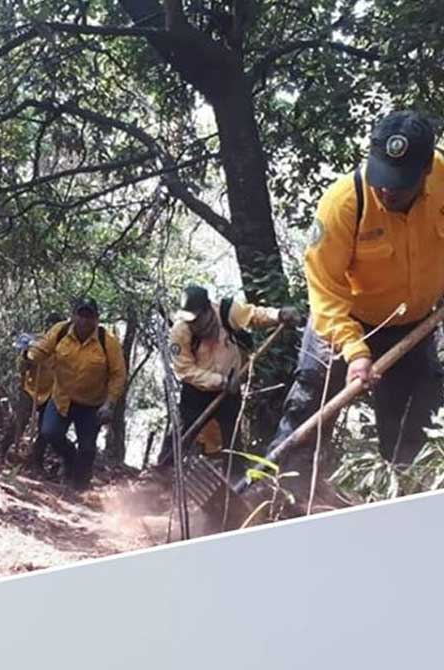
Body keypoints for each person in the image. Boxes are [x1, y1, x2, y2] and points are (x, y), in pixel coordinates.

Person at [265, 110, 444, 467]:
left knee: (414, 428)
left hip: (412, 325)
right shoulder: (343, 204)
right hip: (342, 323)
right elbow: (324, 289)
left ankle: (405, 502)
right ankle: (277, 495)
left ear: (425, 169)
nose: (387, 189)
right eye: (382, 177)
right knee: (307, 412)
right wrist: (355, 350)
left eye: (400, 181)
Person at [157, 285, 299, 465]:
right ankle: (161, 474)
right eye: (190, 321)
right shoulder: (180, 331)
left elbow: (253, 315)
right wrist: (220, 381)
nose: (194, 325)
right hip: (197, 391)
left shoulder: (226, 311)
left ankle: (233, 481)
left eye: (197, 319)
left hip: (230, 392)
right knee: (182, 433)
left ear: (208, 309)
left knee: (232, 441)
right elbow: (184, 370)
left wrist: (278, 315)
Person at [24, 297, 126, 489]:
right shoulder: (60, 331)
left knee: (87, 449)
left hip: (91, 404)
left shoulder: (108, 342)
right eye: (81, 315)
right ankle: (69, 457)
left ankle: (79, 488)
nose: (84, 321)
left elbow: (118, 374)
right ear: (73, 315)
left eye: (89, 316)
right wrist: (29, 355)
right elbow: (42, 350)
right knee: (50, 432)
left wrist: (109, 403)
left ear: (97, 319)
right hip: (62, 397)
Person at [0, 311, 65, 461]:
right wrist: (25, 357)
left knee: (45, 430)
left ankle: (36, 460)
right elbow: (22, 366)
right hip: (31, 389)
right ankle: (3, 452)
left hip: (51, 393)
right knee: (19, 421)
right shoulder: (36, 342)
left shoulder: (66, 346)